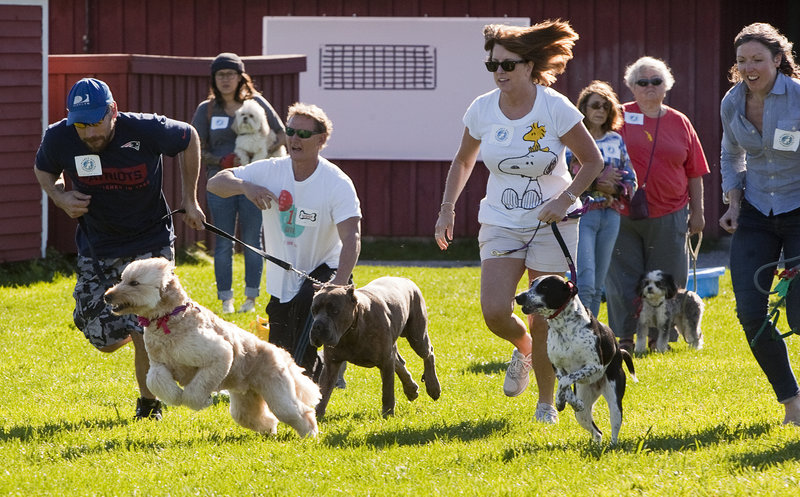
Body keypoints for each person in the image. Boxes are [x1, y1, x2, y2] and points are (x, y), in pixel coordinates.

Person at [434, 20, 604, 424]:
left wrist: (565, 199)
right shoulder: (481, 108)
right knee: (494, 310)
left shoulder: (555, 106)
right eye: (492, 65)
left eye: (507, 65)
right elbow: (463, 159)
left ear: (529, 66)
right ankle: (523, 347)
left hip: (553, 224)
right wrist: (447, 208)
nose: (499, 73)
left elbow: (592, 161)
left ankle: (546, 405)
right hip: (500, 220)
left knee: (544, 317)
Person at [33, 77, 206, 420]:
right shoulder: (59, 136)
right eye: (81, 124)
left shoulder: (145, 129)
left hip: (149, 242)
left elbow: (189, 137)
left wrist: (190, 198)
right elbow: (44, 169)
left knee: (145, 331)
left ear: (112, 111)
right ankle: (136, 329)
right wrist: (59, 196)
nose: (90, 132)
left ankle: (149, 403)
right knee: (101, 337)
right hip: (98, 246)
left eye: (96, 122)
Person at [207, 102, 361, 381]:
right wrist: (245, 186)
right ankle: (319, 372)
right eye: (290, 131)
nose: (294, 139)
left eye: (303, 134)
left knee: (305, 316)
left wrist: (338, 282)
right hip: (282, 277)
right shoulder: (270, 170)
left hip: (326, 270)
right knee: (280, 348)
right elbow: (215, 184)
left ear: (321, 139)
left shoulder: (337, 182)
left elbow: (352, 236)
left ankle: (309, 386)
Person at [719, 22, 800, 426]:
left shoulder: (799, 99)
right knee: (751, 313)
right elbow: (730, 155)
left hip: (798, 208)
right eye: (742, 60)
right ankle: (792, 403)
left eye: (757, 59)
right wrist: (733, 202)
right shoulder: (732, 102)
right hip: (754, 212)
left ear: (777, 60)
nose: (749, 67)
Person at [605, 56, 710, 353]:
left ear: (667, 85)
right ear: (631, 86)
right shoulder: (617, 117)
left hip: (671, 211)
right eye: (643, 82)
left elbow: (695, 171)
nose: (650, 87)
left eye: (656, 81)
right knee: (623, 279)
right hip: (622, 211)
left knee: (668, 278)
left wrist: (699, 212)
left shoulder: (680, 121)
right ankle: (625, 337)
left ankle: (660, 337)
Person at [192, 52, 286, 314]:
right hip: (220, 183)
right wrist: (219, 160)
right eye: (220, 75)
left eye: (230, 74)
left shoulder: (257, 104)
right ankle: (226, 300)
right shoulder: (207, 109)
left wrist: (262, 156)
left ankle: (251, 299)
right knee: (223, 243)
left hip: (253, 183)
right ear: (214, 79)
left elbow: (280, 134)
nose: (225, 79)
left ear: (240, 77)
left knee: (253, 240)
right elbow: (196, 144)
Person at [567, 81, 637, 317]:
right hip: (583, 216)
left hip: (611, 215)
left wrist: (615, 189)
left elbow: (631, 180)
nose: (600, 111)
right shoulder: (574, 139)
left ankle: (593, 335)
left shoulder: (616, 140)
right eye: (595, 105)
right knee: (585, 281)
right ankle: (582, 330)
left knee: (598, 285)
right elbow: (566, 177)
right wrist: (597, 183)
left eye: (606, 107)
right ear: (583, 108)